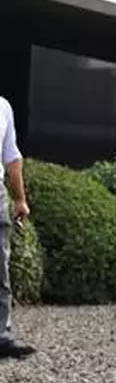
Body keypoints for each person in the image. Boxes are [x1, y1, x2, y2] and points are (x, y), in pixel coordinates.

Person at [0, 94, 34, 360]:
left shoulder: (3, 106)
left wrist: (20, 198)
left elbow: (11, 156)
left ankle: (1, 335)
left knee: (1, 267)